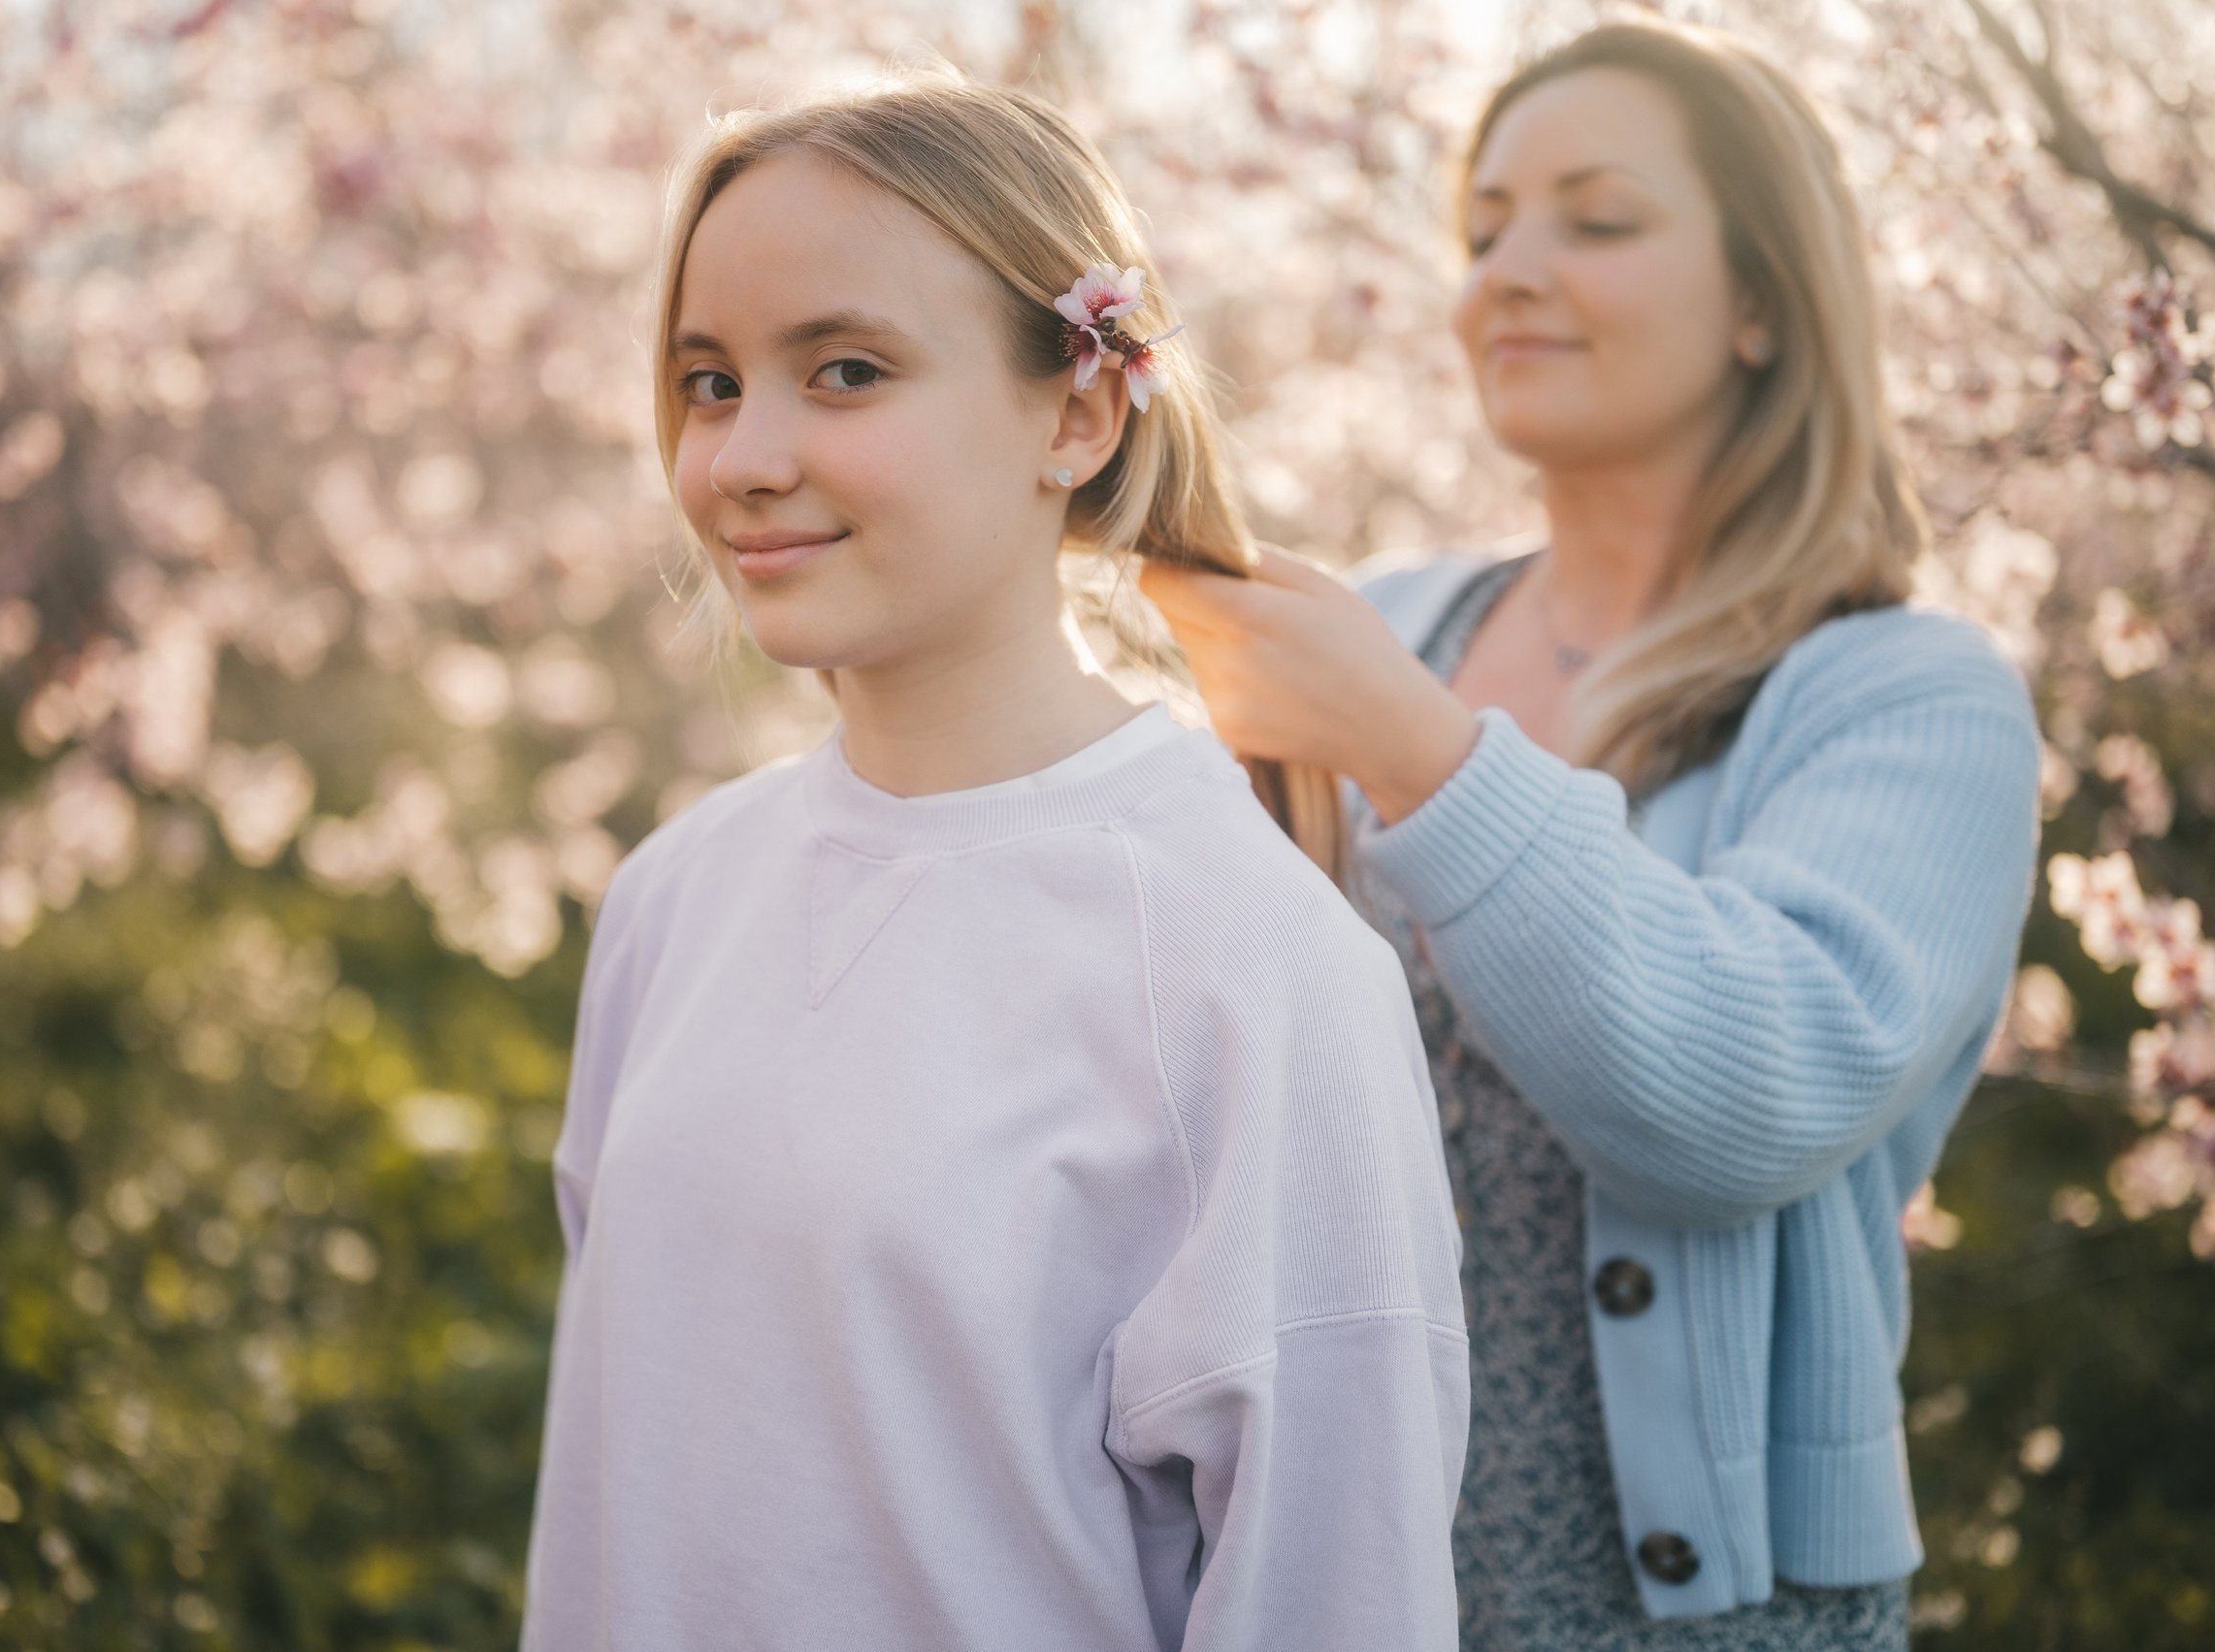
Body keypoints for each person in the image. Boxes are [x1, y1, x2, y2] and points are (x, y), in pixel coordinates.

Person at [517, 76, 1467, 1652]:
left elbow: (1337, 1598)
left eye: (845, 371)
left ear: (1078, 412)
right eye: (707, 382)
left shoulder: (1253, 968)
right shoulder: (674, 899)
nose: (744, 457)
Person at [1142, 21, 2040, 1651]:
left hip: (1689, 1609)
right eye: (1485, 231)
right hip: (1324, 1576)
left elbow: (1738, 1097)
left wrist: (1410, 748)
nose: (1507, 275)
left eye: (1596, 220)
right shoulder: (1391, 617)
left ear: (1768, 300)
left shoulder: (1907, 697)